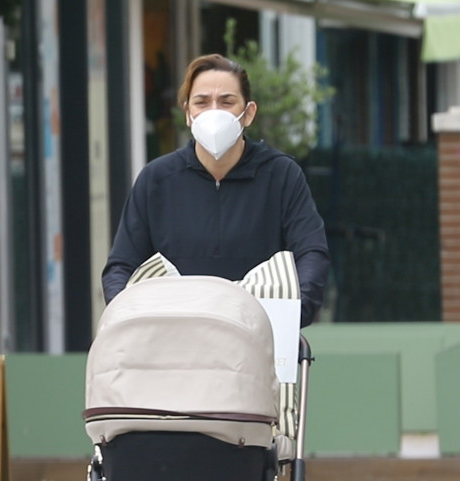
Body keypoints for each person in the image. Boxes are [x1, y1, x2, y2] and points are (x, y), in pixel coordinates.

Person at [102, 53, 330, 327]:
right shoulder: (157, 180)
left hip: (260, 338)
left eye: (227, 101)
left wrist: (290, 315)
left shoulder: (281, 176)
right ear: (188, 114)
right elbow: (121, 266)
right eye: (202, 102)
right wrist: (127, 317)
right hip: (172, 342)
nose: (214, 111)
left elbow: (311, 254)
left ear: (249, 113)